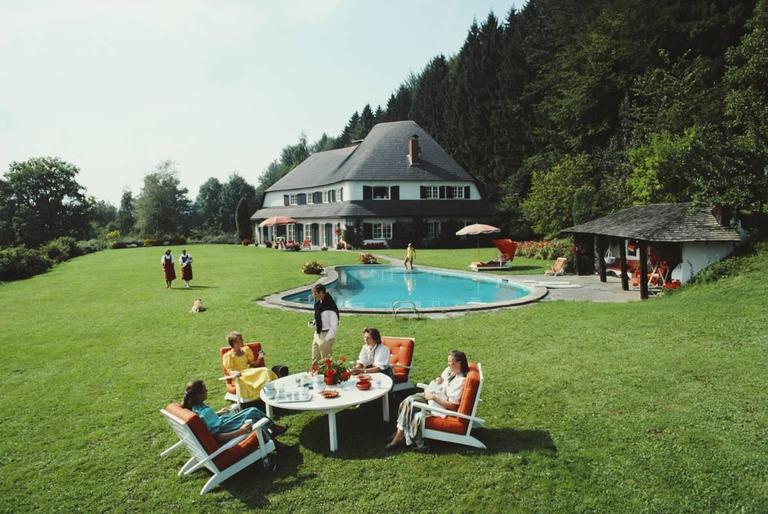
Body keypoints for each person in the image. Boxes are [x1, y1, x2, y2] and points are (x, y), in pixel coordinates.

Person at [385, 350, 469, 451]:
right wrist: (438, 379)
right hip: (432, 396)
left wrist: (433, 398)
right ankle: (400, 432)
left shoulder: (460, 381)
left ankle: (398, 436)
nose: (448, 364)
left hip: (438, 405)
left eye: (451, 362)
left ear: (459, 363)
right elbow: (441, 377)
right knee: (407, 400)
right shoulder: (450, 371)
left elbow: (453, 406)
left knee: (409, 403)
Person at [181, 380, 287, 442]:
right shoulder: (204, 413)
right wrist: (240, 431)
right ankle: (274, 438)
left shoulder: (195, 407)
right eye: (205, 390)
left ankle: (274, 431)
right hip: (226, 428)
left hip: (223, 422)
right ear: (198, 395)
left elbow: (205, 422)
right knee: (253, 414)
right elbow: (217, 436)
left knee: (252, 411)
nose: (207, 391)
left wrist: (217, 413)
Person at [223, 331, 278, 399]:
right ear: (234, 343)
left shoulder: (246, 350)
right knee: (245, 380)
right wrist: (236, 373)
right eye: (240, 340)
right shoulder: (228, 356)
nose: (242, 341)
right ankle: (262, 394)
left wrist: (260, 357)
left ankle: (271, 390)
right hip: (239, 375)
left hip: (249, 372)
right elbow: (229, 371)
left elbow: (253, 365)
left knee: (265, 370)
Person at [310, 283, 339, 364]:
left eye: (315, 293)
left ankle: (328, 376)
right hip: (317, 333)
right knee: (314, 360)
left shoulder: (330, 304)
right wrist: (315, 321)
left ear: (321, 293)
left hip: (326, 335)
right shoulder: (319, 301)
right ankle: (315, 375)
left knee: (326, 362)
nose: (313, 295)